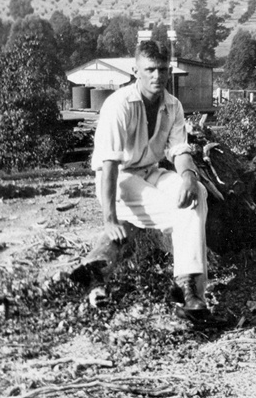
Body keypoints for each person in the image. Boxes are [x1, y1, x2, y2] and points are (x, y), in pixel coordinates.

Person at [87, 39, 209, 313]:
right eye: (150, 69)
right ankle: (189, 289)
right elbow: (109, 164)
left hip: (151, 171)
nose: (157, 76)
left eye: (162, 69)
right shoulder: (119, 105)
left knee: (197, 193)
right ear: (136, 71)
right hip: (120, 180)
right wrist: (109, 219)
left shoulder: (173, 105)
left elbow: (179, 150)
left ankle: (190, 289)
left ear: (169, 70)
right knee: (179, 211)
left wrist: (189, 176)